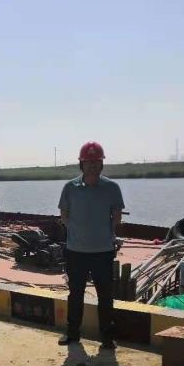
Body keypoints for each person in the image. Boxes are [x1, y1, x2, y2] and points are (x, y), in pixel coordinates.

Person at [57, 141, 125, 350]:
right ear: (81, 164)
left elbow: (117, 217)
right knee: (75, 294)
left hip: (103, 251)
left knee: (105, 296)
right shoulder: (70, 187)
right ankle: (72, 333)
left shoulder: (112, 188)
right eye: (88, 162)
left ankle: (107, 337)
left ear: (102, 164)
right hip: (76, 251)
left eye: (96, 162)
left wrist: (105, 234)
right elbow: (64, 216)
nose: (93, 166)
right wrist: (77, 232)